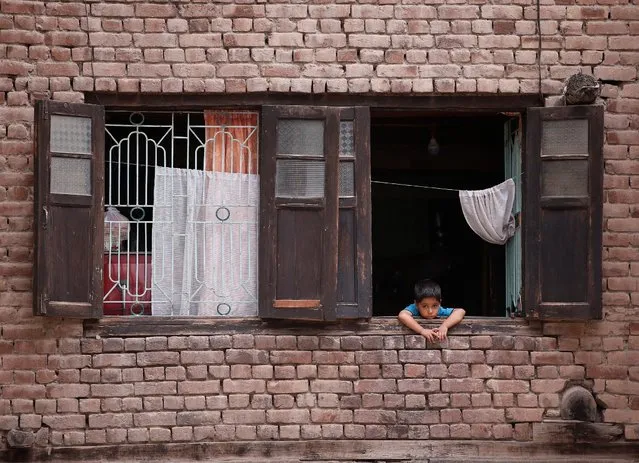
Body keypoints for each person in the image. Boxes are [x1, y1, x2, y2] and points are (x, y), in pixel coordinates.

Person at [398, 279, 466, 342]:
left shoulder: (440, 310)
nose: (430, 311)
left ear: (439, 303)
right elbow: (402, 315)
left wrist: (445, 326)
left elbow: (460, 311)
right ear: (416, 304)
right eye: (424, 306)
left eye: (434, 306)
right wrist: (422, 330)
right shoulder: (414, 308)